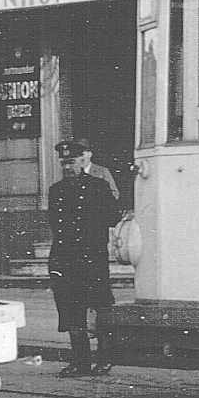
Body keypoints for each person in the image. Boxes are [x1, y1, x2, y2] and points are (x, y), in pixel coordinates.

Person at [48, 137, 119, 377]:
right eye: (63, 163)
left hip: (92, 257)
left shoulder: (98, 186)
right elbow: (54, 225)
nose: (67, 167)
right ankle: (80, 361)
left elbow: (113, 217)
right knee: (71, 310)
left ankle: (105, 359)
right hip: (65, 259)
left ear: (82, 160)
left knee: (101, 307)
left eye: (71, 162)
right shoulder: (55, 191)